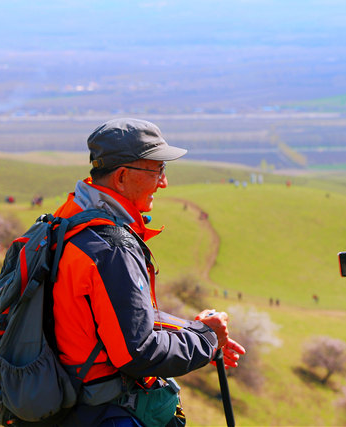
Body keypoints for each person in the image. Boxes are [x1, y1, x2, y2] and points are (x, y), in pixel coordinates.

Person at [51, 118, 245, 426]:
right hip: (102, 411)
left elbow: (117, 316)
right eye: (157, 169)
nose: (164, 182)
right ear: (123, 177)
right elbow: (137, 352)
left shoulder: (64, 223)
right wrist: (207, 339)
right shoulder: (109, 247)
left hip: (62, 402)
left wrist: (194, 330)